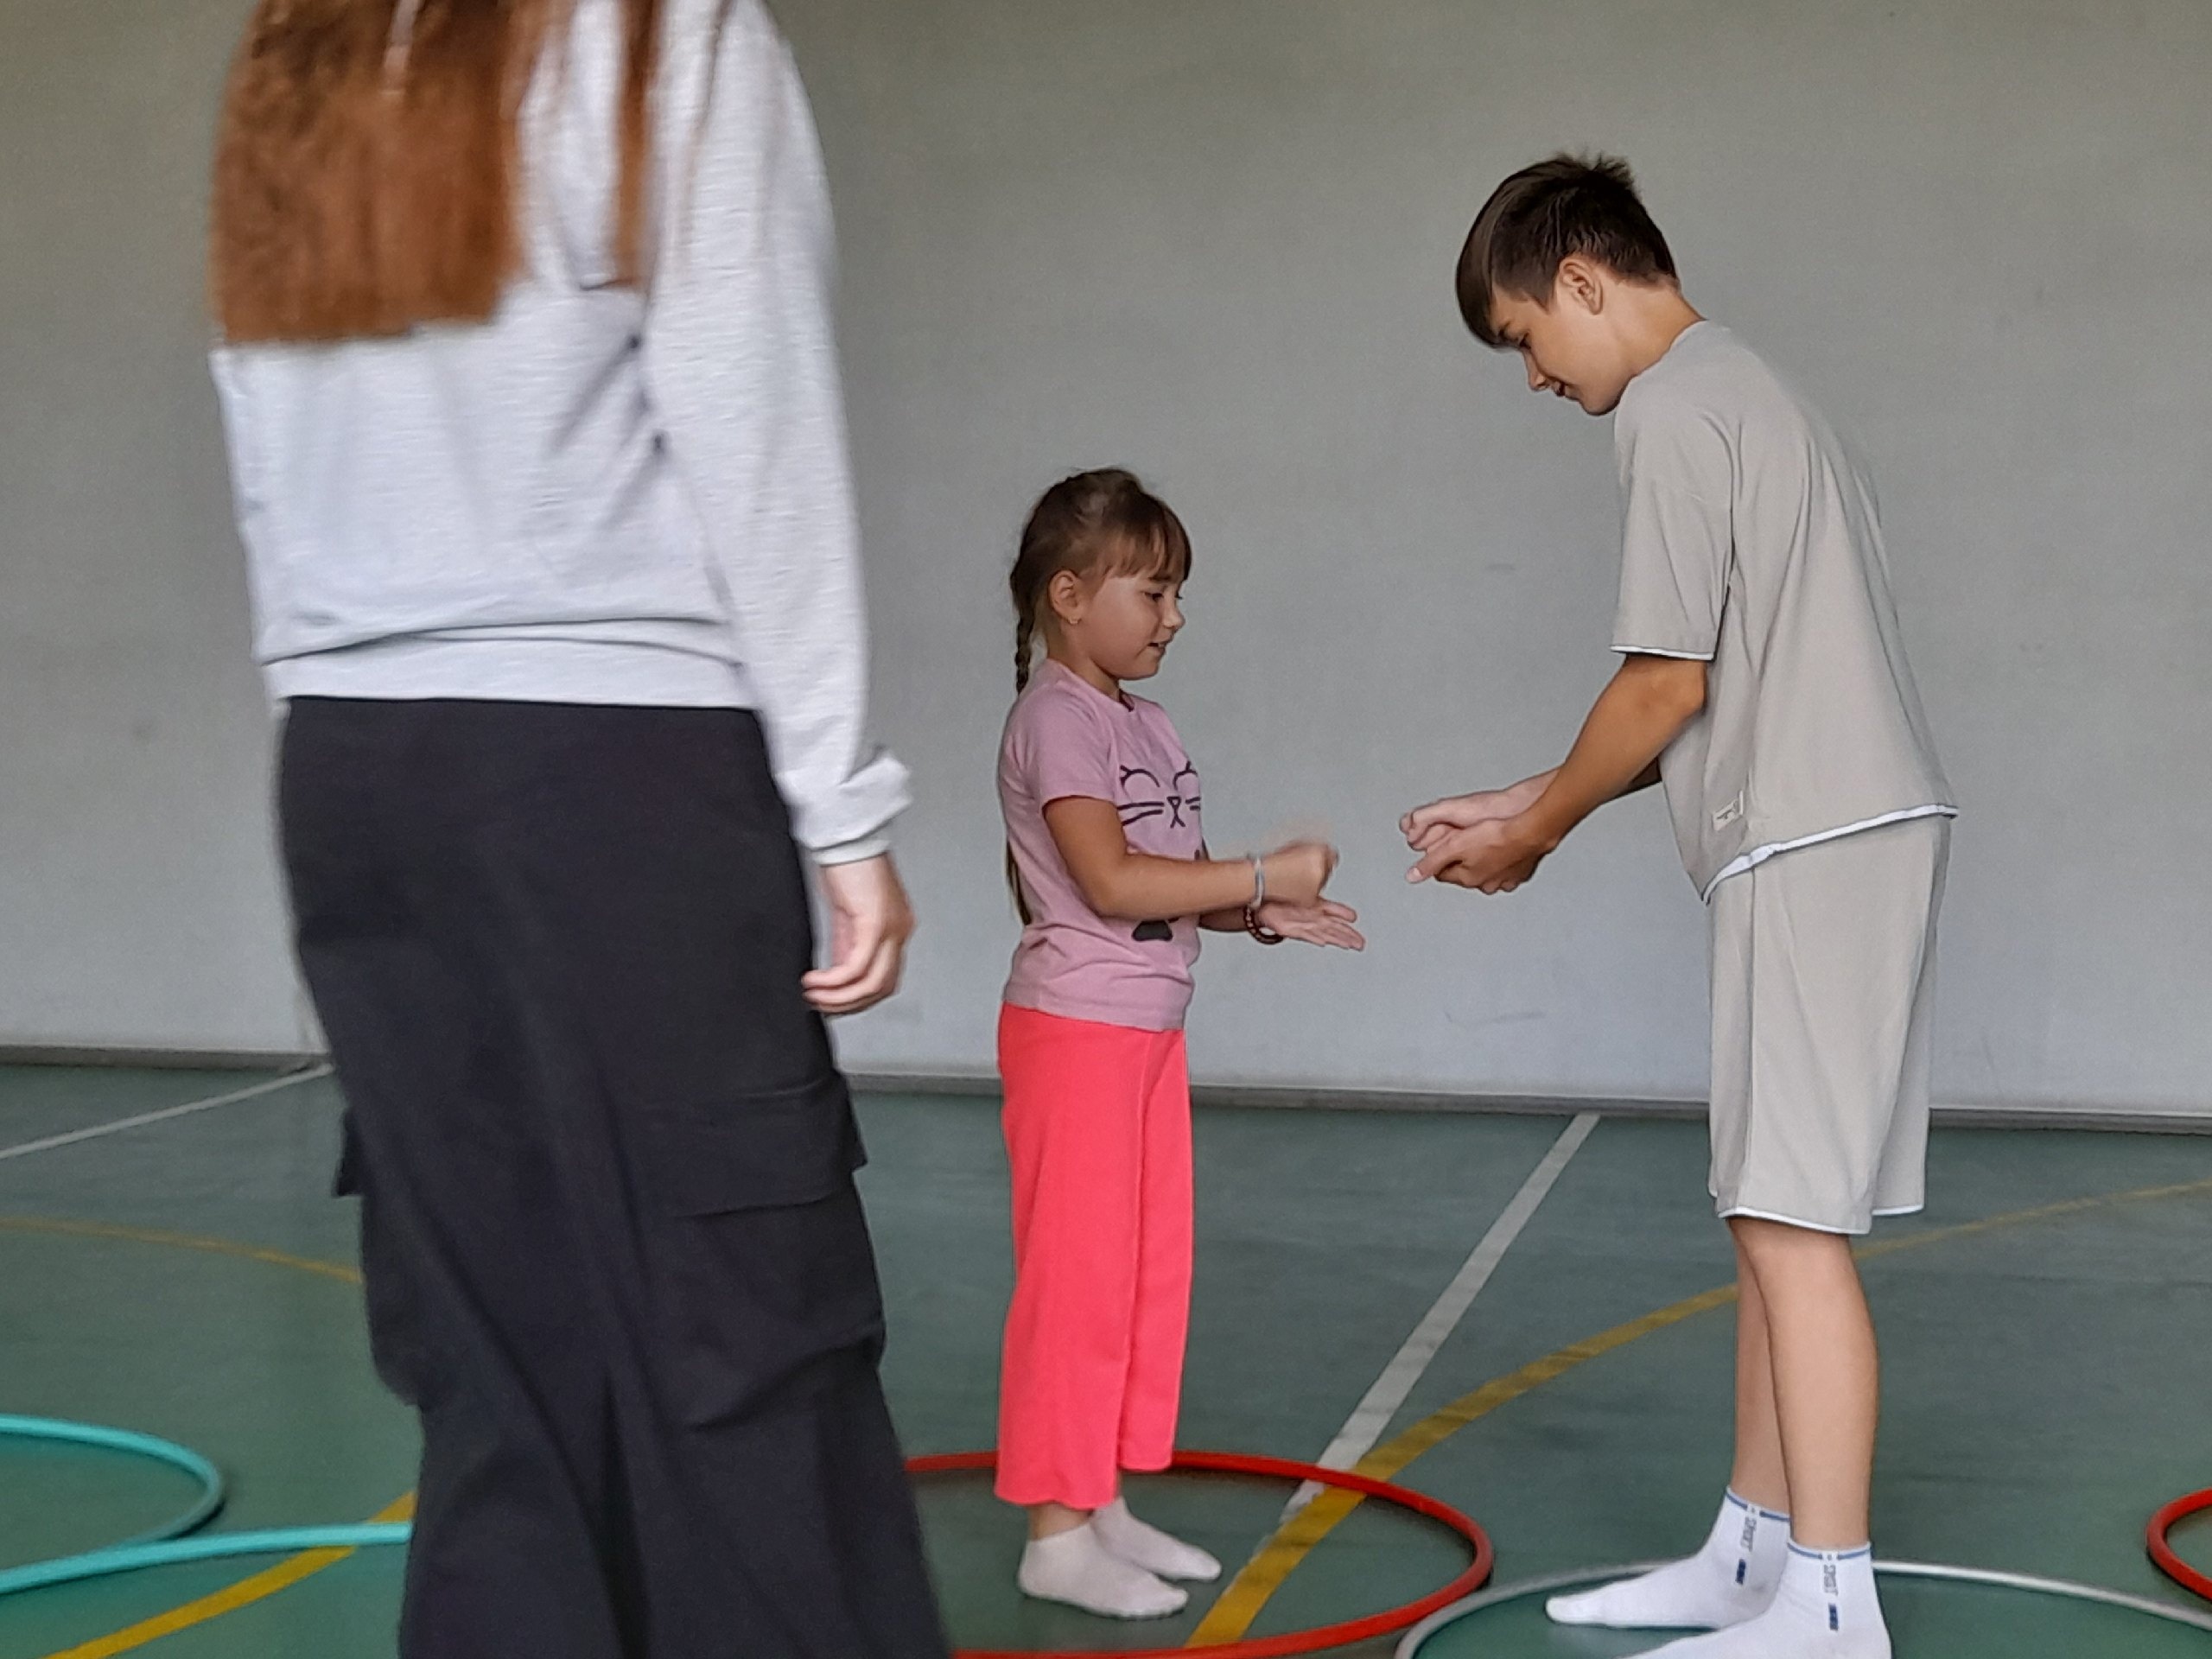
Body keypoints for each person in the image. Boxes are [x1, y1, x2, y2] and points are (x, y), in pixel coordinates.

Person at [207, 2, 947, 1654]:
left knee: (496, 1388)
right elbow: (750, 410)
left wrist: (329, 763)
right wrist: (841, 802)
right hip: (615, 772)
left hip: (355, 775)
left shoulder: (305, 58)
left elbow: (265, 435)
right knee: (739, 1359)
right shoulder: (663, 31)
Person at [1403, 156, 1953, 1659]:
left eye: (1524, 337)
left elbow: (1665, 684)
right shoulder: (1751, 393)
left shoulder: (1669, 409)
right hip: (1831, 825)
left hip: (1816, 839)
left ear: (1584, 282)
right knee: (1766, 1214)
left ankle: (1829, 1600)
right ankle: (1751, 1555)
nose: (1534, 376)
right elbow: (1711, 693)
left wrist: (1538, 838)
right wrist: (1530, 801)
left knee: (1794, 1227)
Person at [993, 470, 1364, 1618]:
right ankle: (1054, 1534)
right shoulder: (1056, 716)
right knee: (1076, 1282)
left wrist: (1251, 911)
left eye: (1176, 594)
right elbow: (1106, 880)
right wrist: (1259, 869)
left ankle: (1096, 1499)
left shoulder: (1141, 722)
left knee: (1137, 1276)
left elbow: (1160, 885)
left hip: (1144, 1034)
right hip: (1077, 1038)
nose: (1173, 616)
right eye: (1151, 592)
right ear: (1069, 596)